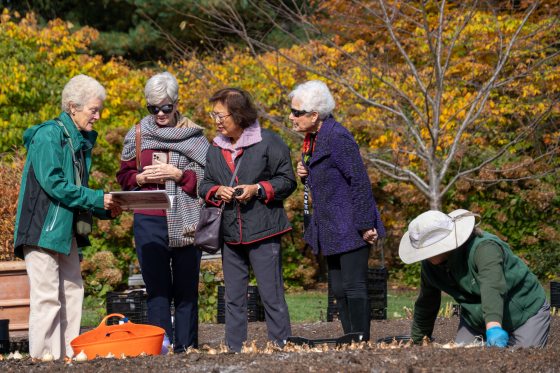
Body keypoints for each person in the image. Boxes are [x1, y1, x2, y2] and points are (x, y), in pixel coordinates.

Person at [13, 74, 122, 360]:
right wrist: (97, 198)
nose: (97, 116)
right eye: (93, 110)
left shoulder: (79, 141)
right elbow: (55, 185)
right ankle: (44, 359)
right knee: (47, 297)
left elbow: (78, 191)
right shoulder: (48, 135)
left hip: (67, 231)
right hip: (42, 231)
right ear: (73, 107)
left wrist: (104, 207)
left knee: (73, 291)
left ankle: (70, 356)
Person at [117, 72, 209, 352]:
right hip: (149, 219)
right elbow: (124, 176)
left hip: (185, 220)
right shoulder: (137, 134)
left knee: (185, 289)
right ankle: (162, 347)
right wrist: (141, 179)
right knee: (157, 289)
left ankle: (187, 347)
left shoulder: (194, 134)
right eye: (153, 108)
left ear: (176, 103)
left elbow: (208, 179)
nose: (159, 113)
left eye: (166, 107)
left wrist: (180, 175)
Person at [199, 87, 296, 352]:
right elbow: (204, 183)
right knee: (233, 298)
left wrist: (258, 189)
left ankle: (282, 345)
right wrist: (217, 191)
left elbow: (288, 181)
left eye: (221, 115)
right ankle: (234, 348)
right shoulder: (215, 147)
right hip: (230, 234)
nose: (216, 121)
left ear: (239, 115)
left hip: (264, 230)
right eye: (214, 115)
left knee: (271, 294)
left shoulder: (270, 142)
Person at [289, 80, 385, 341]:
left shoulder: (338, 137)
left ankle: (360, 339)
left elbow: (359, 181)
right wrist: (305, 175)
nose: (291, 117)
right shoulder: (314, 139)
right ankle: (350, 338)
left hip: (351, 224)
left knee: (354, 287)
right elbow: (327, 179)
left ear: (314, 115)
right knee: (339, 290)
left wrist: (366, 224)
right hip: (331, 227)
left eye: (296, 112)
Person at [399, 209, 551, 348]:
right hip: (475, 320)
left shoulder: (484, 248)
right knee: (462, 359)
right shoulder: (430, 265)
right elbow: (427, 302)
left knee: (522, 358)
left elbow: (492, 287)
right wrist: (418, 341)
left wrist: (493, 328)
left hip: (524, 310)